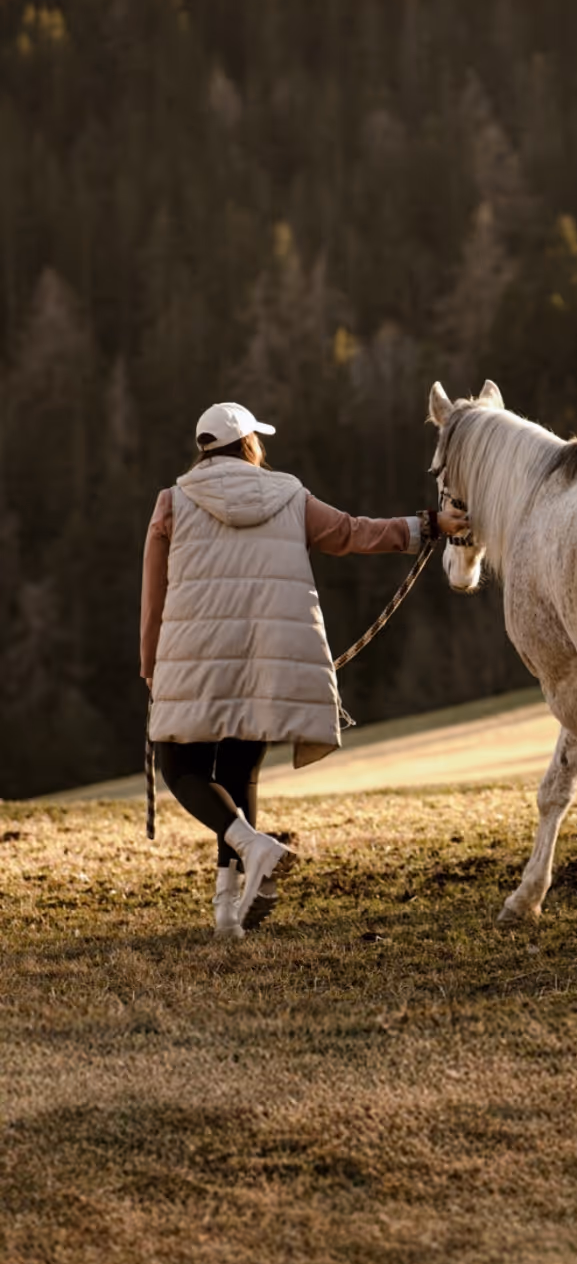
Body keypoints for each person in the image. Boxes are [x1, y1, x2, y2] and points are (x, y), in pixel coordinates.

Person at [140, 401, 466, 939]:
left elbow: (153, 595)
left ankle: (246, 861)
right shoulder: (289, 494)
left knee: (180, 767)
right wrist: (426, 524)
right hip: (269, 657)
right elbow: (352, 532)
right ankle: (230, 902)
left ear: (204, 449)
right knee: (239, 770)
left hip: (196, 657)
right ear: (250, 445)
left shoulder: (173, 503)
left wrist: (150, 663)